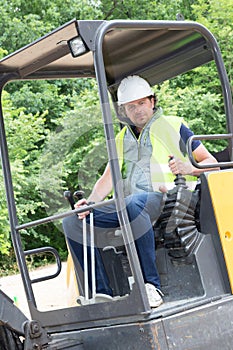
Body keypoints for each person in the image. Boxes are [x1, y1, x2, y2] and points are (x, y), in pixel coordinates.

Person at [62, 75, 218, 308]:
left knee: (133, 205)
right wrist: (90, 204)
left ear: (152, 101)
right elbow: (108, 179)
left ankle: (151, 285)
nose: (137, 110)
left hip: (172, 198)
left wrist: (188, 167)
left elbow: (212, 163)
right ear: (124, 111)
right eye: (131, 106)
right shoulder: (122, 138)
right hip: (136, 204)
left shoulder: (174, 125)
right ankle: (101, 293)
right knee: (74, 222)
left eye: (141, 103)